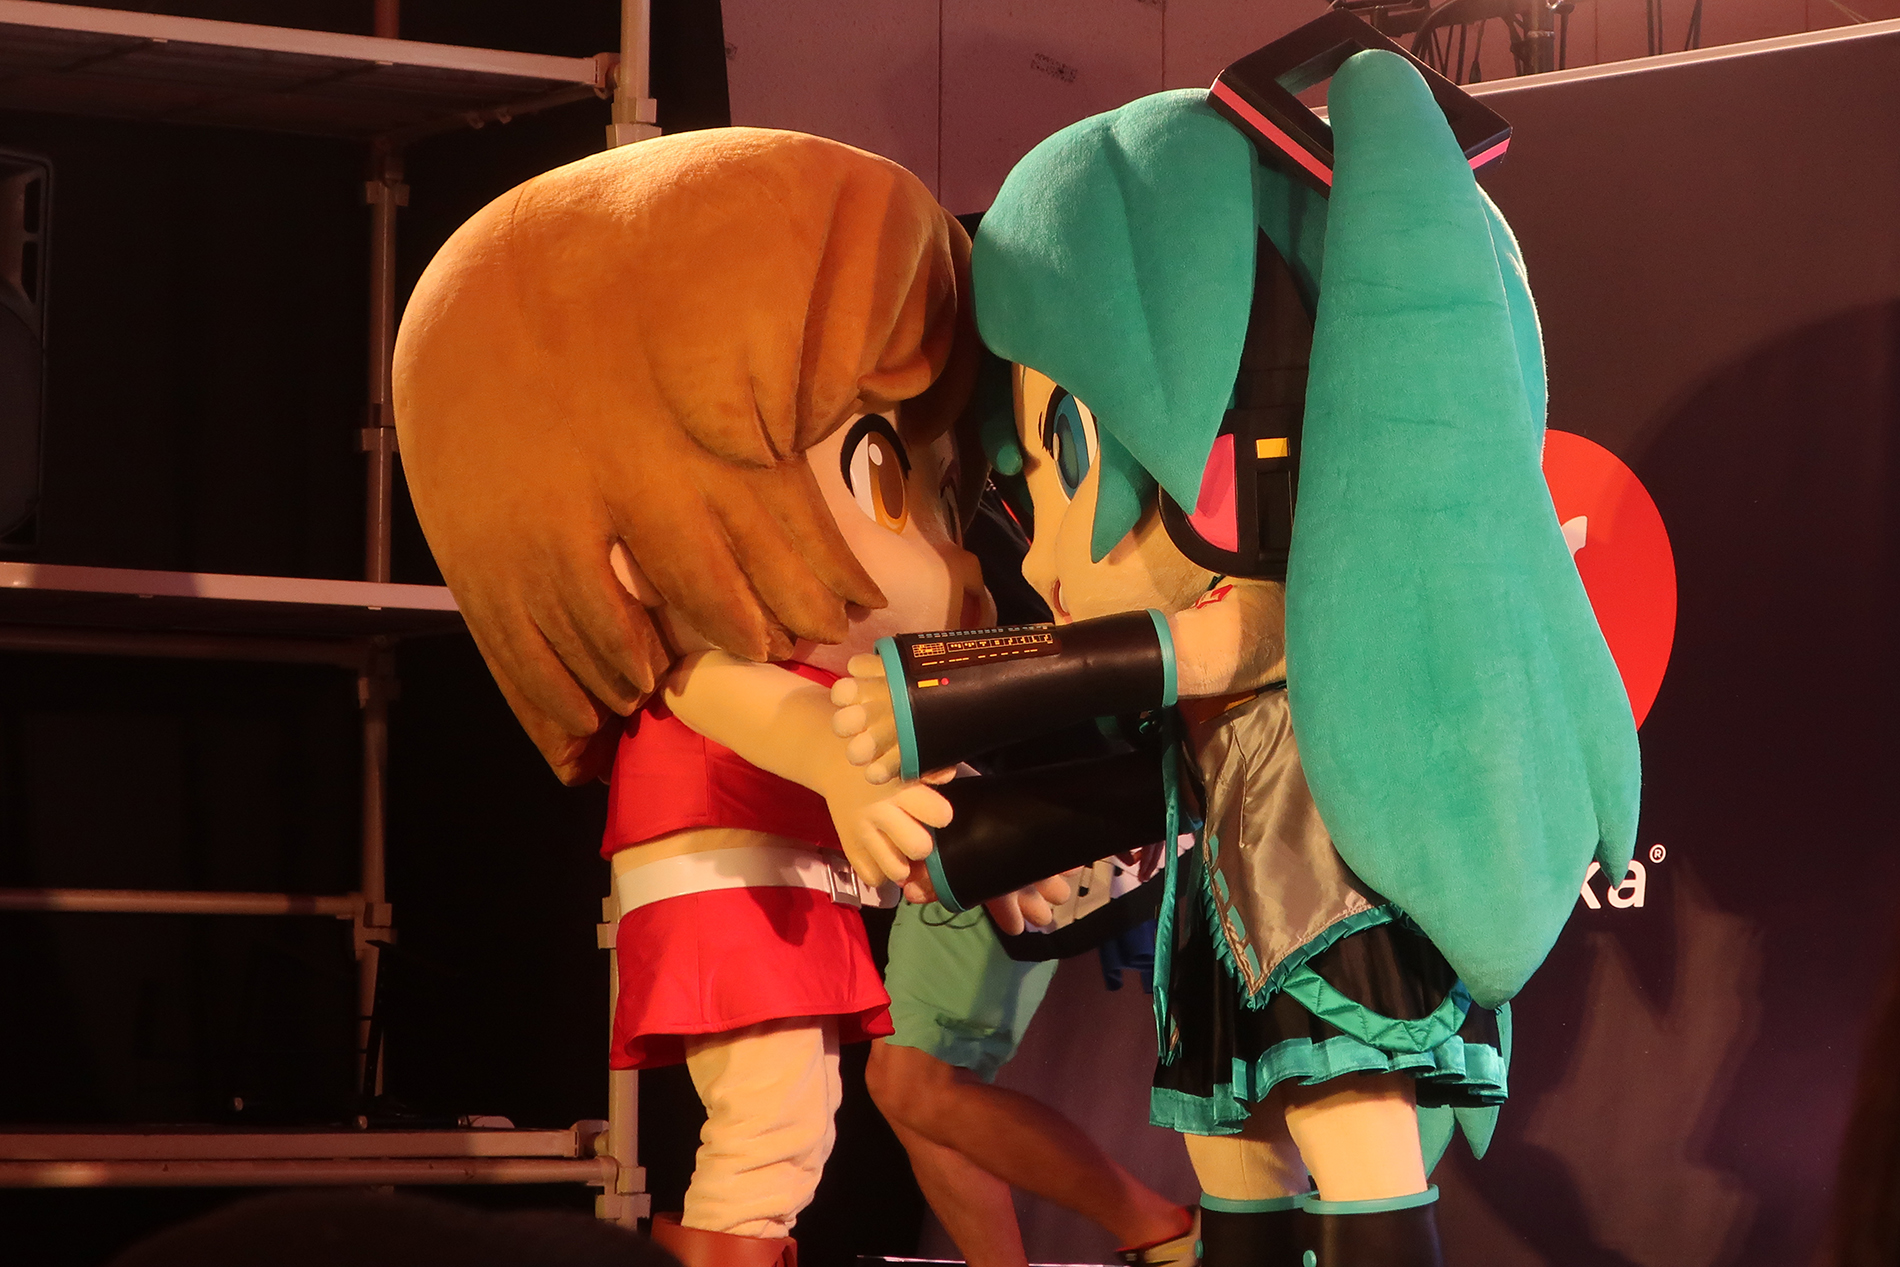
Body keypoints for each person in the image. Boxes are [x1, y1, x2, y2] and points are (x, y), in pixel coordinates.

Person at [835, 47, 1639, 1267]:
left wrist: (926, 694)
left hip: (1332, 914)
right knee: (1235, 1165)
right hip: (1236, 925)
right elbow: (1152, 772)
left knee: (1352, 1142)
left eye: (1063, 458)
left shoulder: (1282, 622)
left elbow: (1170, 655)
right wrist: (975, 836)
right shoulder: (1236, 639)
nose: (1041, 549)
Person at [393, 127, 1059, 1267]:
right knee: (773, 1125)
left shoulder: (843, 681)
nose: (950, 557)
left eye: (941, 490)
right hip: (720, 861)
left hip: (773, 866)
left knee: (789, 1124)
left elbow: (885, 772)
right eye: (884, 475)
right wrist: (845, 765)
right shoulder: (707, 671)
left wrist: (990, 857)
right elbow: (755, 711)